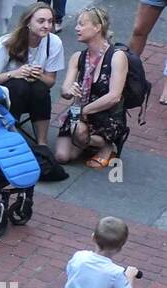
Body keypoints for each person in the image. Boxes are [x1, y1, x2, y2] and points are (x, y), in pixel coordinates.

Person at [55, 7, 128, 168]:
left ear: (97, 27)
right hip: (80, 114)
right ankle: (86, 143)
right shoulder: (77, 57)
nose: (76, 28)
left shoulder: (117, 56)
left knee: (79, 133)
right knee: (62, 156)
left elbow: (114, 96)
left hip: (106, 117)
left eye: (81, 24)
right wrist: (69, 90)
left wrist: (84, 111)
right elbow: (65, 92)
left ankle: (107, 145)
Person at [0, 3, 65, 143]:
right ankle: (9, 137)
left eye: (50, 21)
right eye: (41, 21)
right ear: (28, 22)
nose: (47, 26)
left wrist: (39, 75)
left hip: (34, 97)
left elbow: (51, 82)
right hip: (6, 95)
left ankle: (42, 143)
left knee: (41, 88)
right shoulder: (7, 42)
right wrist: (14, 73)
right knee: (19, 85)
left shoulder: (54, 43)